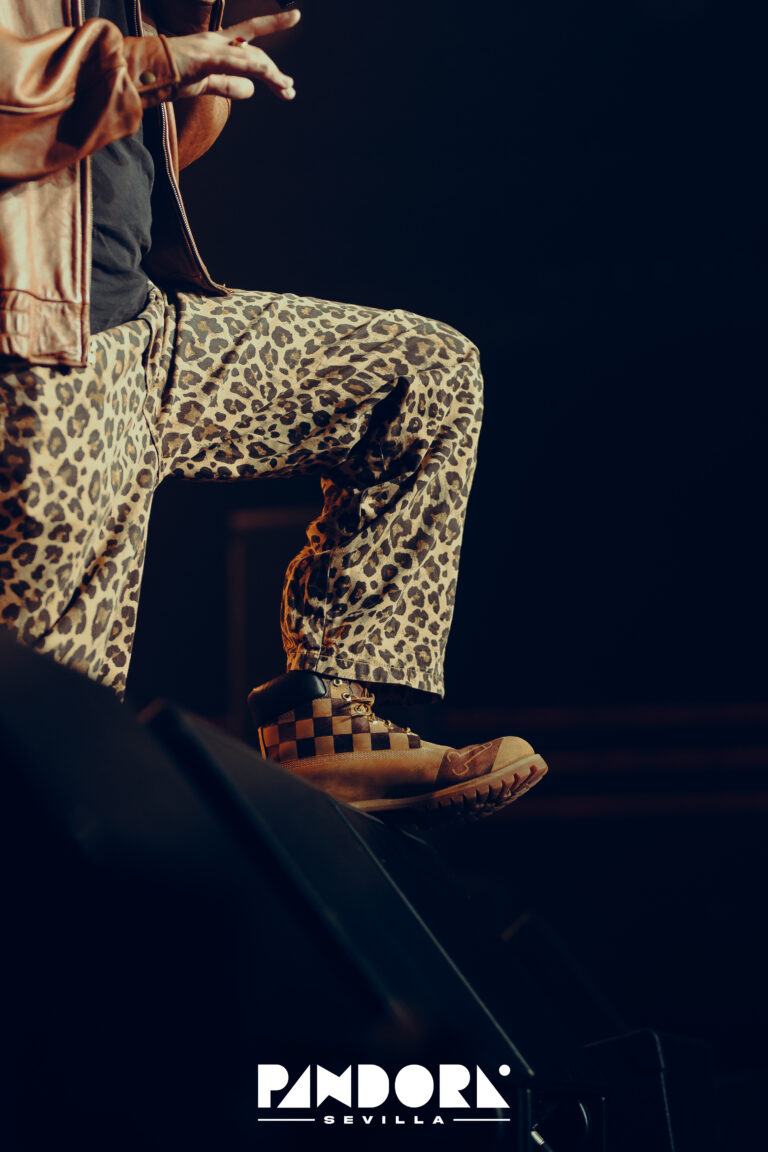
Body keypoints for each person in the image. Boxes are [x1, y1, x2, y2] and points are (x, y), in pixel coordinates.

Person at [0, 0, 547, 825]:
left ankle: (322, 729)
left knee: (424, 373)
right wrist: (158, 60)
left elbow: (145, 156)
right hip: (41, 361)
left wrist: (199, 57)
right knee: (54, 757)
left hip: (155, 333)